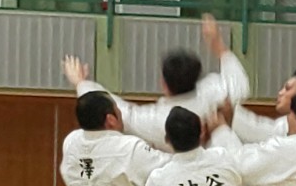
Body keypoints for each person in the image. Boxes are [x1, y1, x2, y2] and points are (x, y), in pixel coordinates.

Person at [62, 14, 251, 153]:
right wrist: (219, 47)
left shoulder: (155, 119)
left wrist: (81, 83)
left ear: (163, 83)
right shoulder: (214, 93)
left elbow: (122, 110)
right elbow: (240, 86)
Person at [230, 66, 296, 143]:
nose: (280, 93)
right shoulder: (284, 125)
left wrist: (228, 110)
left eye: (287, 88)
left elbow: (254, 131)